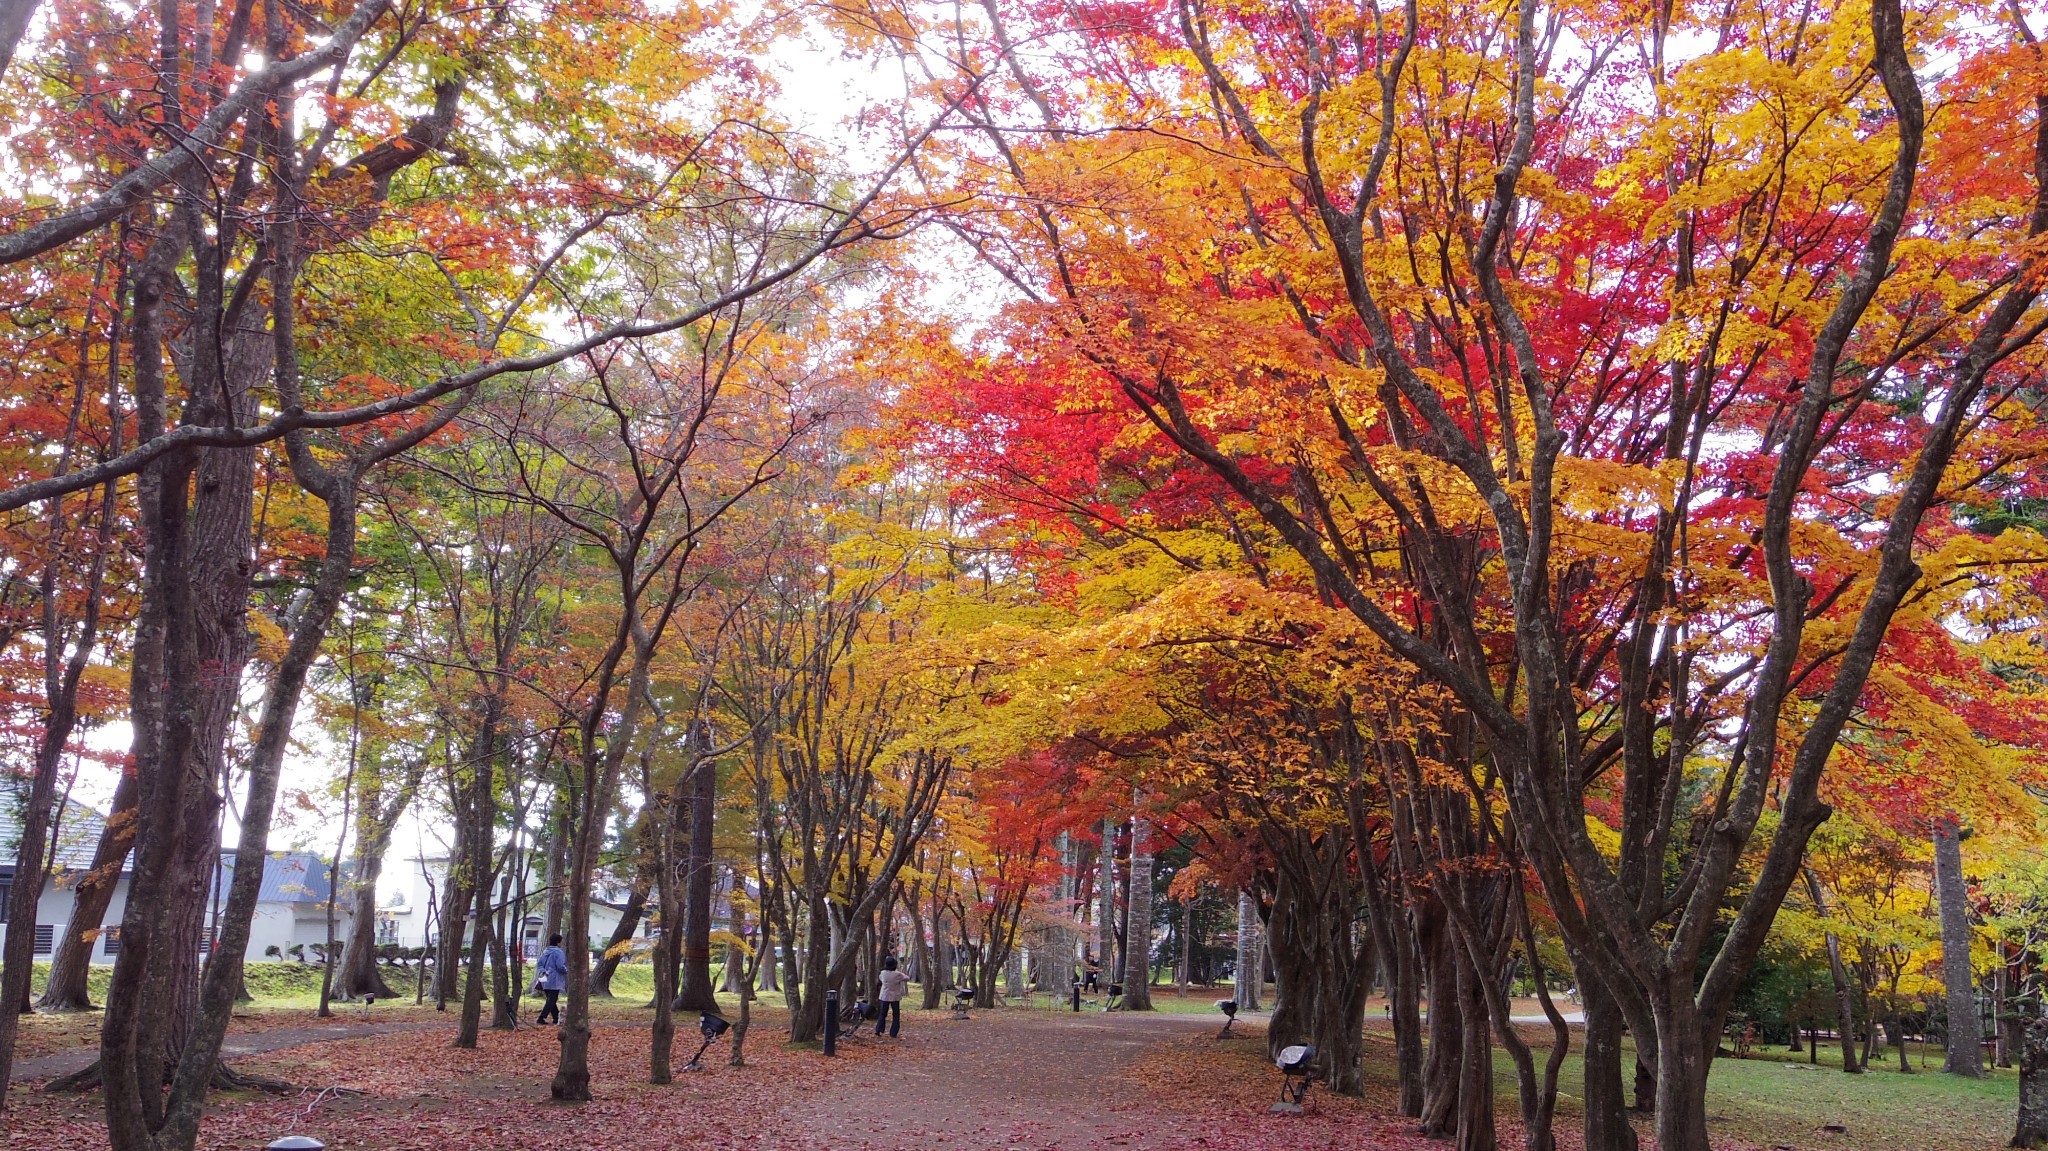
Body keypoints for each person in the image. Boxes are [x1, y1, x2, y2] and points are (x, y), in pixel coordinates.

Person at [534, 933, 568, 1025]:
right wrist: (566, 971)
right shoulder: (558, 952)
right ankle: (541, 1018)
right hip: (555, 979)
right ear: (558, 942)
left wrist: (544, 971)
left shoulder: (545, 951)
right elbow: (560, 966)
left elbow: (539, 964)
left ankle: (556, 1018)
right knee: (552, 999)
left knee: (551, 999)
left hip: (545, 978)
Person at [875, 955, 910, 1037]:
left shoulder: (883, 973)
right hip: (894, 996)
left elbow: (880, 978)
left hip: (884, 995)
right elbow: (907, 978)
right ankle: (893, 1032)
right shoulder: (898, 974)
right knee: (896, 1014)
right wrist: (902, 973)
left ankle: (879, 1029)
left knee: (882, 1013)